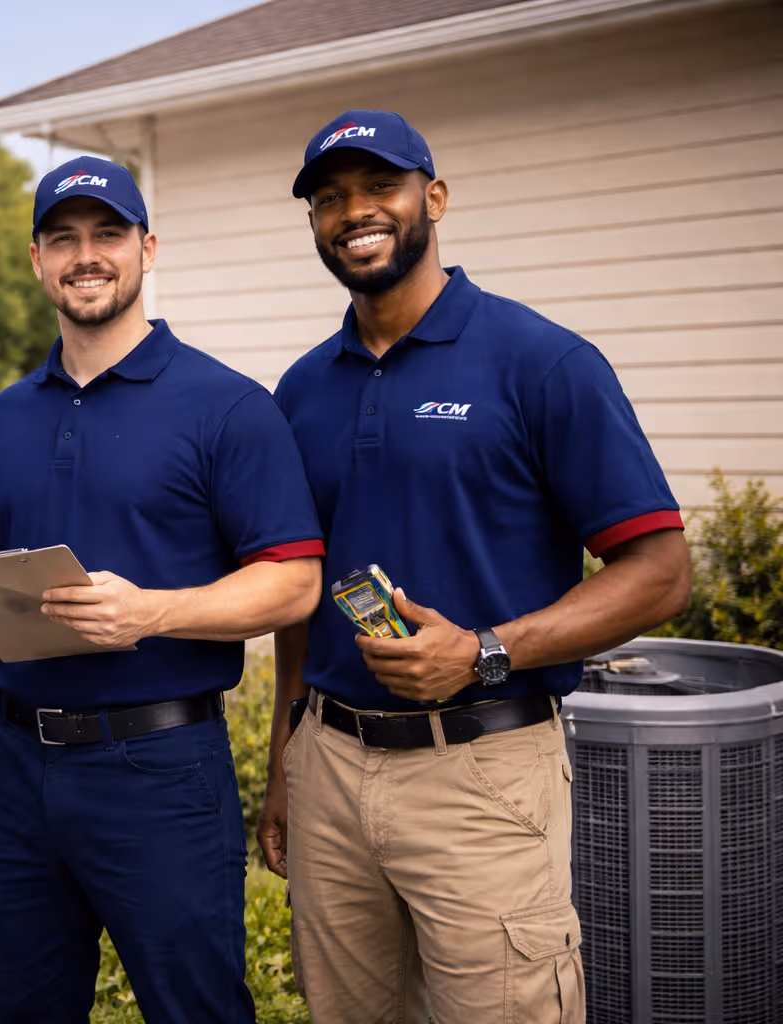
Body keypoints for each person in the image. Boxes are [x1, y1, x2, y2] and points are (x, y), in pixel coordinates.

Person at [258, 110, 692, 1023]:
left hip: (483, 770)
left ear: (435, 198)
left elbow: (658, 570)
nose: (355, 213)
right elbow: (300, 599)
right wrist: (285, 765)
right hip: (330, 768)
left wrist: (485, 650)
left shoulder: (543, 363)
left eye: (381, 187)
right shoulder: (299, 392)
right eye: (329, 199)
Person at [0, 155, 325, 1024]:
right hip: (15, 767)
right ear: (37, 259)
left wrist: (156, 611)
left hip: (158, 770)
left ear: (147, 248)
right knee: (21, 1010)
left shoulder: (227, 406)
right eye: (64, 239)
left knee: (194, 1009)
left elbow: (296, 584)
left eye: (107, 235)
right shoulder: (3, 417)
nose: (86, 256)